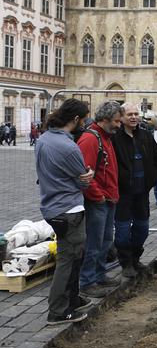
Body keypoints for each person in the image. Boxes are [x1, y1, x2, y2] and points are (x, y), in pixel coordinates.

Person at [34, 99, 94, 324]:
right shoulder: (69, 147)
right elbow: (84, 181)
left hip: (51, 206)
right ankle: (58, 310)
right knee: (68, 260)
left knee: (69, 256)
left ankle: (72, 298)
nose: (86, 123)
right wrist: (88, 175)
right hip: (69, 208)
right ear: (76, 119)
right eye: (84, 119)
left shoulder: (44, 139)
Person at [77, 101, 123, 296]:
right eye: (117, 121)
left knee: (104, 240)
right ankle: (87, 282)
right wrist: (99, 196)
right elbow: (85, 173)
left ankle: (99, 274)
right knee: (94, 242)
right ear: (104, 120)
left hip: (107, 198)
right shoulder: (90, 139)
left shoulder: (105, 136)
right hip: (98, 200)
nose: (119, 125)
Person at [112, 103, 157, 275]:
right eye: (129, 114)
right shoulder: (115, 137)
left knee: (142, 228)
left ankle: (135, 258)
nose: (133, 117)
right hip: (123, 194)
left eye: (136, 114)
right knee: (123, 230)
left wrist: (153, 178)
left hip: (142, 192)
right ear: (122, 117)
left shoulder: (146, 135)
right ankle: (126, 263)